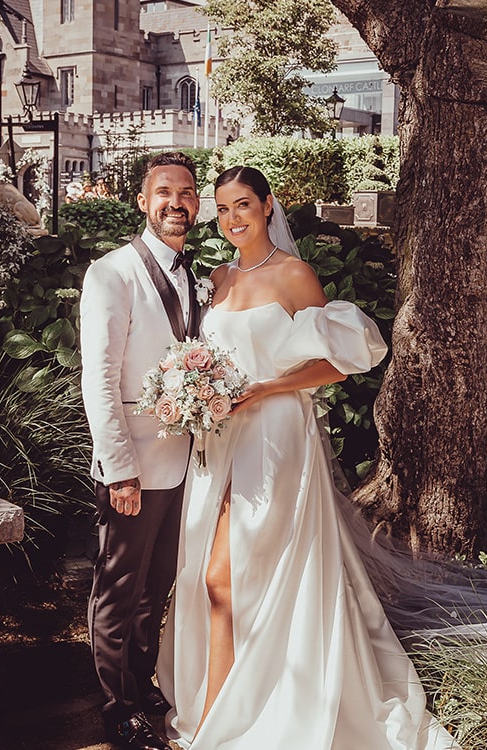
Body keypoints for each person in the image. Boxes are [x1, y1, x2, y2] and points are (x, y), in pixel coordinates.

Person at [154, 165, 462, 749]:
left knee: (234, 572)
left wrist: (266, 388)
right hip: (218, 440)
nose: (231, 219)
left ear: (268, 206)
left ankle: (221, 720)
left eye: (243, 205)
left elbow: (339, 362)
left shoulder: (294, 275)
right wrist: (193, 390)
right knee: (209, 573)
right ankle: (222, 703)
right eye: (222, 210)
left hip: (275, 438)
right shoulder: (216, 278)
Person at [80, 151, 201, 750]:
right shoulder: (111, 273)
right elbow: (98, 379)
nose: (176, 203)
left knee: (157, 585)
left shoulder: (194, 273)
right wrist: (121, 470)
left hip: (186, 462)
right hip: (133, 463)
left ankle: (141, 677)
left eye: (186, 192)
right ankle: (115, 704)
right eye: (164, 192)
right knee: (120, 585)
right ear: (142, 202)